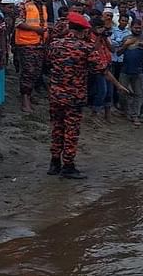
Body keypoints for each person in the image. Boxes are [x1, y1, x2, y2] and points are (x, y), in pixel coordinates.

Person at [46, 12, 129, 179]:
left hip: (55, 94)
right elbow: (102, 70)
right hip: (74, 96)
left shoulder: (55, 44)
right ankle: (68, 165)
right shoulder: (85, 48)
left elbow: (48, 63)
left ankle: (54, 163)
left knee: (57, 128)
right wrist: (118, 85)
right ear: (84, 31)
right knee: (71, 131)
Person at [15, 0, 48, 113]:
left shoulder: (43, 7)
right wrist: (36, 29)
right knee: (28, 71)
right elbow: (18, 23)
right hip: (26, 43)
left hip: (40, 44)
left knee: (36, 72)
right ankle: (25, 99)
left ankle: (29, 94)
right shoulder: (23, 5)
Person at [117, 19, 143, 125]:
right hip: (125, 70)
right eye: (135, 27)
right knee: (122, 92)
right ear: (131, 27)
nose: (137, 29)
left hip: (138, 71)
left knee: (138, 94)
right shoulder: (126, 38)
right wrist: (126, 45)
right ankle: (124, 110)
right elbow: (118, 53)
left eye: (139, 27)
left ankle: (135, 115)